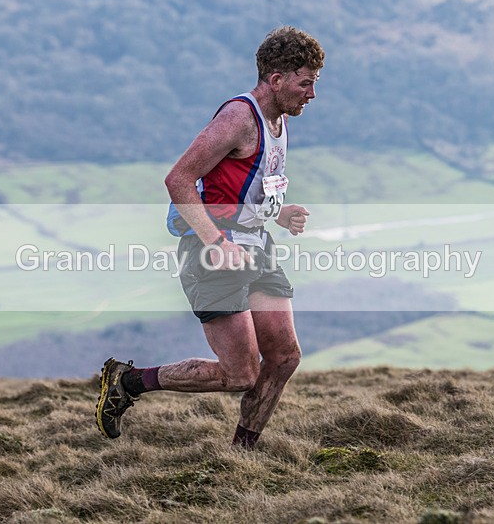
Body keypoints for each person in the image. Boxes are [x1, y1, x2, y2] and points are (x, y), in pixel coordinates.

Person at [96, 26, 325, 449]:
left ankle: (242, 456)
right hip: (212, 253)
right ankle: (127, 382)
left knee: (284, 357)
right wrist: (217, 244)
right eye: (306, 82)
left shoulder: (278, 119)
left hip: (256, 248)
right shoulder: (239, 117)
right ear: (276, 80)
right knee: (240, 374)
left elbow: (239, 189)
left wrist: (278, 214)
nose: (312, 94)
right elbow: (178, 179)